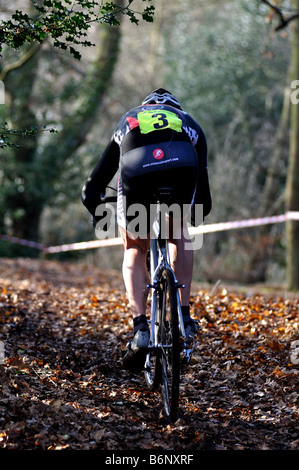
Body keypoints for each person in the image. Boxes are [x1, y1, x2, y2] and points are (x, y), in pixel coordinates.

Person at [82, 88, 212, 372]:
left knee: (134, 248)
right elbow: (202, 182)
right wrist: (197, 213)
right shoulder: (188, 121)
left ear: (147, 106)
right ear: (173, 107)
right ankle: (184, 316)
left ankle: (140, 327)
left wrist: (97, 209)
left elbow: (94, 184)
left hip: (137, 168)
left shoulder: (129, 118)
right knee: (179, 233)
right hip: (182, 165)